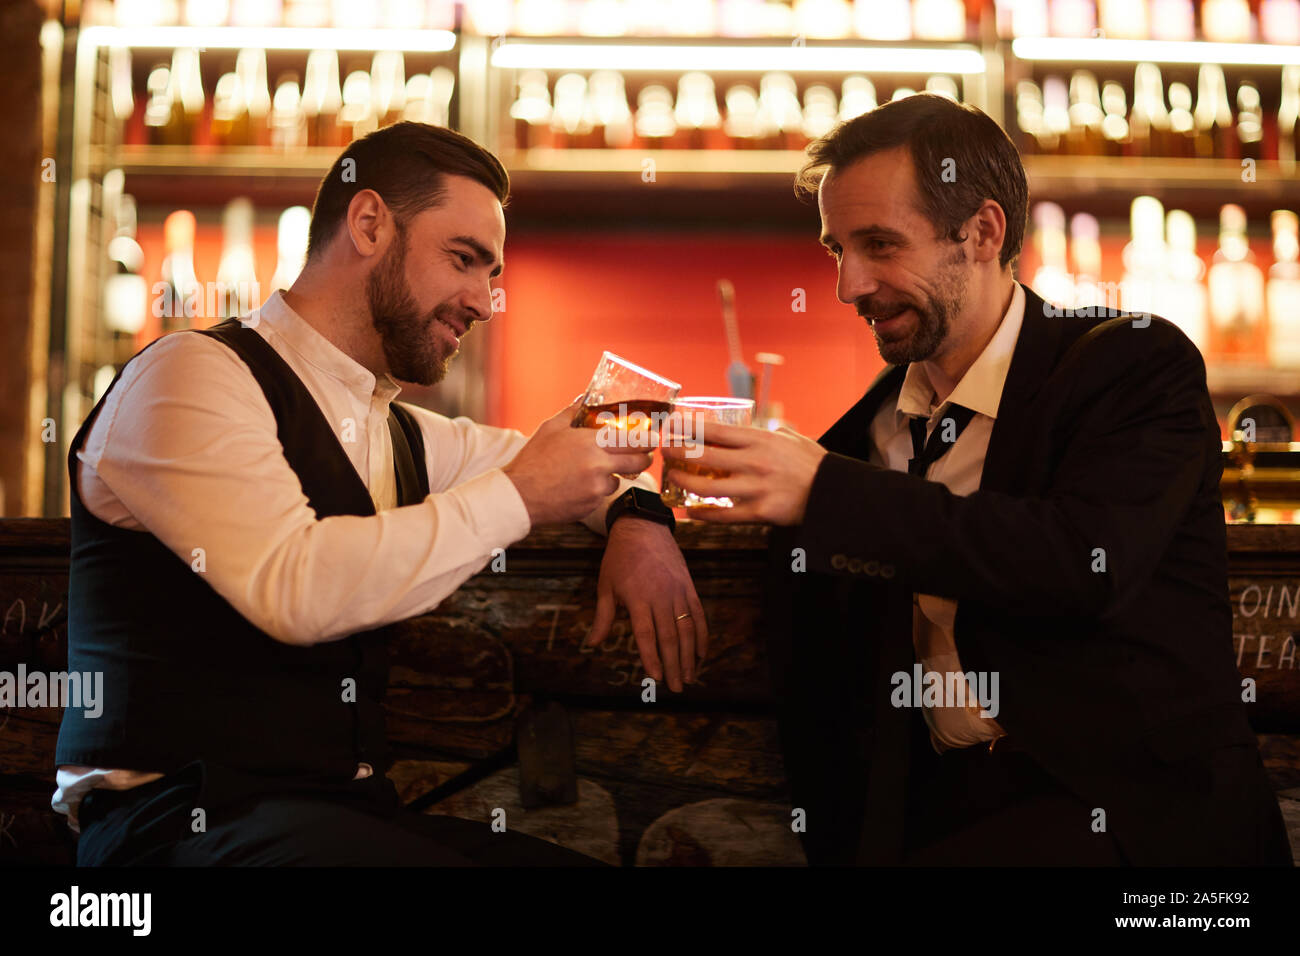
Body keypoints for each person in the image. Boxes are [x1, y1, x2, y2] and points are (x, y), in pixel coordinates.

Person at [662, 93, 1293, 866]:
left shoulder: (1132, 365)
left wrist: (825, 490)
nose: (848, 286)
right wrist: (637, 514)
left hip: (1142, 834)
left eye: (880, 245)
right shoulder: (871, 431)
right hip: (939, 817)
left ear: (983, 232)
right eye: (836, 251)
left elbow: (1080, 561)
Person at [54, 122, 705, 866]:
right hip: (169, 830)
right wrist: (523, 495)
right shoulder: (186, 376)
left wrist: (641, 518)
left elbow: (587, 460)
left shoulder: (403, 434)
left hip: (337, 818)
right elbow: (292, 585)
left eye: (491, 274)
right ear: (368, 225)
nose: (486, 301)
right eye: (464, 260)